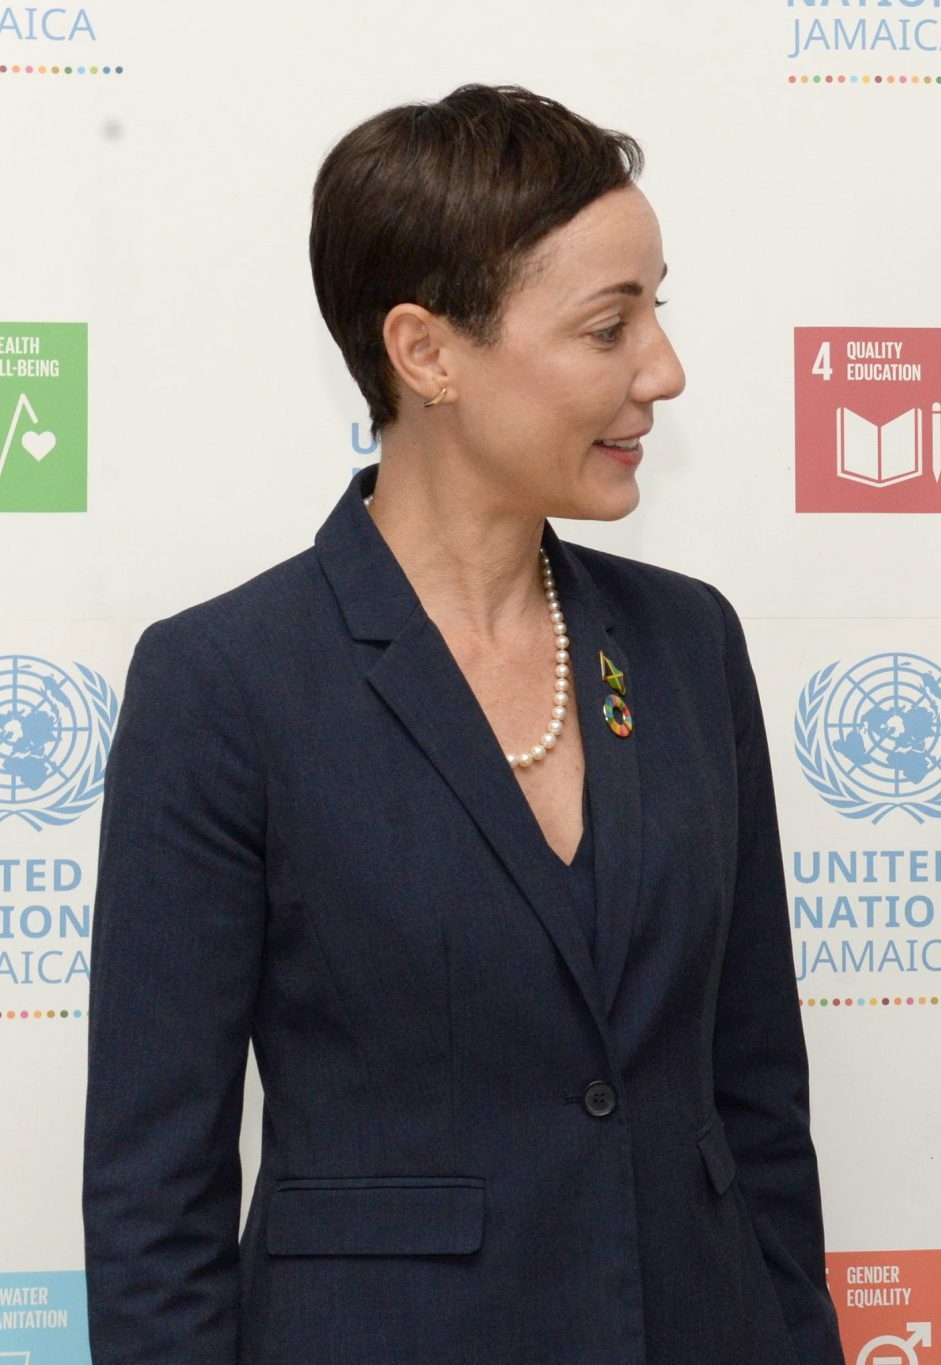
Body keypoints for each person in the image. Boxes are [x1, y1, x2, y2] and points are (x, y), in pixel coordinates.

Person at [83, 85, 842, 1364]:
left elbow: (756, 1099)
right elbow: (157, 1197)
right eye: (609, 327)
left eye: (658, 307)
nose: (663, 369)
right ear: (427, 353)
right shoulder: (226, 682)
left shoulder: (688, 643)